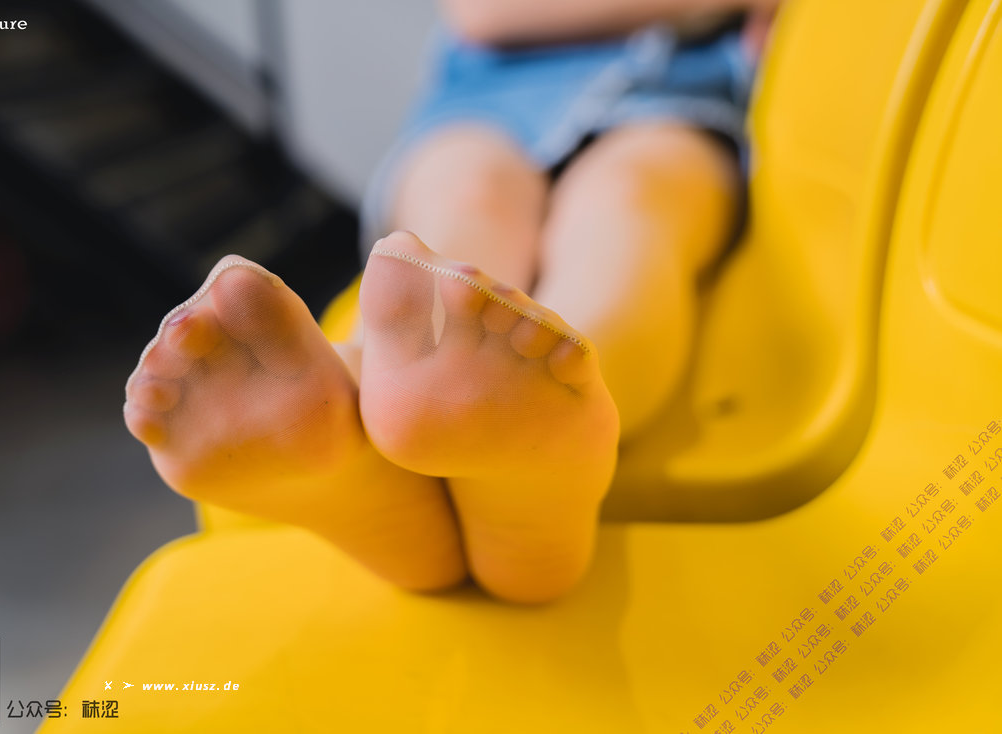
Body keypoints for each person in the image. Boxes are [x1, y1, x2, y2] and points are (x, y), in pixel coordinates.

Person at [123, 0, 778, 604]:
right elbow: (486, 12)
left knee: (627, 208)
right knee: (461, 214)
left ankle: (530, 439)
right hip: (484, 110)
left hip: (675, 111)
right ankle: (366, 417)